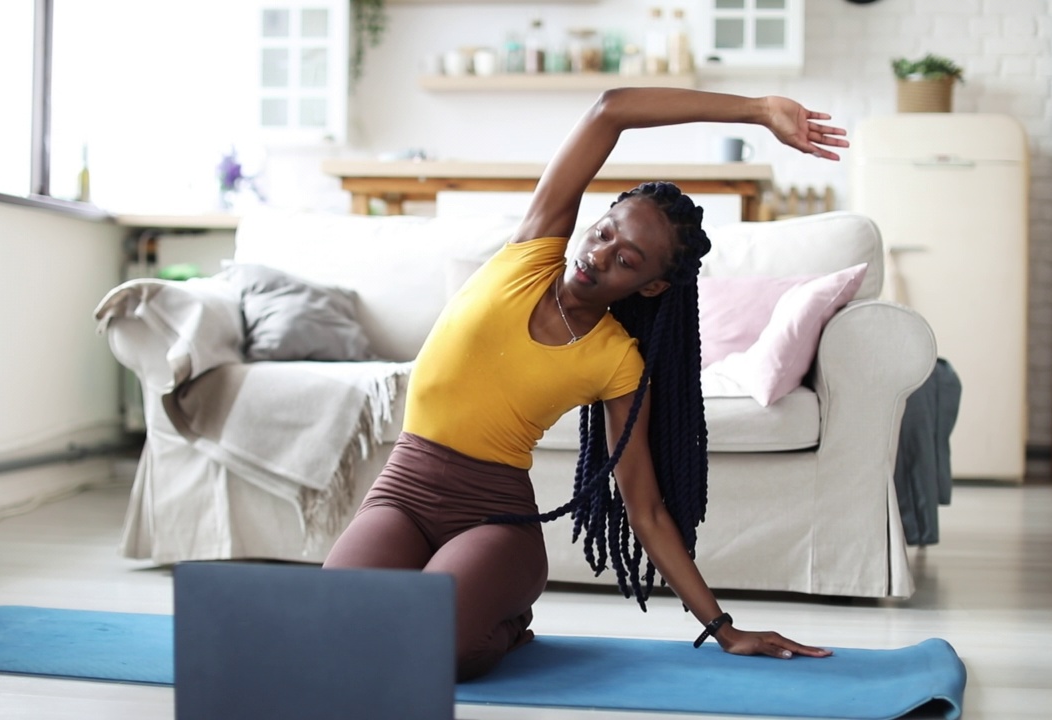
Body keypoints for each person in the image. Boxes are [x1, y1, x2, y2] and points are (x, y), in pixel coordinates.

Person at [323, 88, 848, 681]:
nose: (600, 257)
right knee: (333, 630)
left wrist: (723, 629)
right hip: (403, 496)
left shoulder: (616, 360)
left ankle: (503, 620)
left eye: (627, 261)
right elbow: (611, 111)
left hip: (494, 523)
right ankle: (441, 600)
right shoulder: (531, 251)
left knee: (434, 650)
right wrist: (756, 109)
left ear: (649, 287)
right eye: (604, 233)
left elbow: (644, 507)